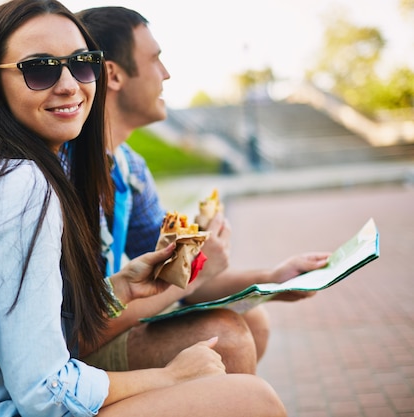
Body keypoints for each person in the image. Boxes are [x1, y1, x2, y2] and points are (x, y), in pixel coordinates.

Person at [0, 0, 287, 416]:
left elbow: (25, 329)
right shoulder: (20, 185)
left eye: (81, 63)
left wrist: (120, 290)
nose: (69, 84)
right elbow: (44, 391)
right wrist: (172, 377)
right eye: (40, 68)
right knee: (251, 400)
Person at [77, 6, 330, 373]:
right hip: (69, 351)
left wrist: (273, 279)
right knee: (225, 337)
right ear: (113, 74)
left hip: (106, 325)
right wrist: (193, 273)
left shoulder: (130, 168)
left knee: (251, 320)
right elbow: (70, 332)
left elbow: (178, 277)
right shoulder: (66, 170)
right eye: (155, 59)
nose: (166, 73)